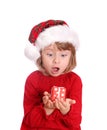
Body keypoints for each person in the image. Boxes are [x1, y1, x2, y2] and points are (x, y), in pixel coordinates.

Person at [20, 19, 82, 130]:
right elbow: (29, 120)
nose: (56, 61)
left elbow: (75, 123)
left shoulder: (74, 80)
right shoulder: (33, 79)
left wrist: (67, 110)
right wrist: (47, 108)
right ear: (40, 55)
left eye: (63, 55)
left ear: (71, 56)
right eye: (50, 54)